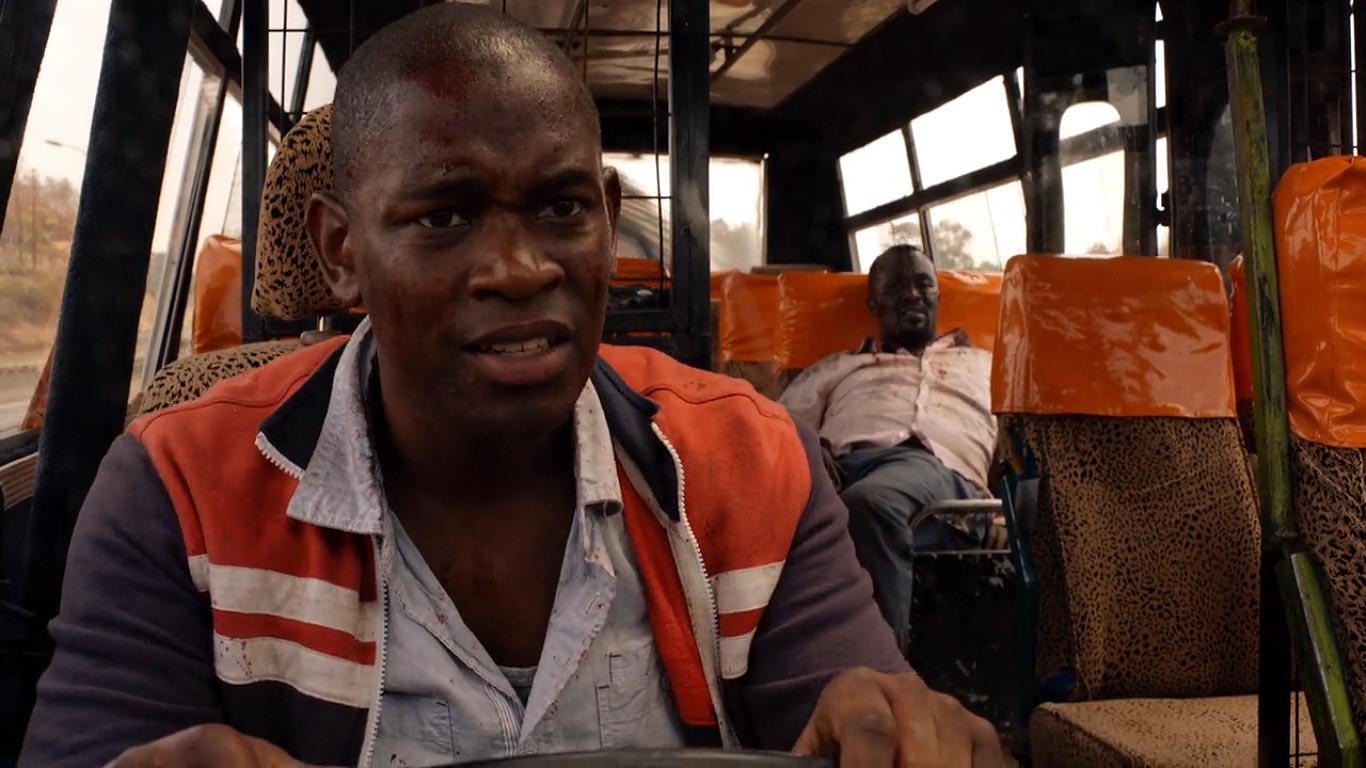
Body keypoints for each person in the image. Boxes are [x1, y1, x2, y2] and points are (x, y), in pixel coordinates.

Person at [19, 6, 1001, 768]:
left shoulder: (749, 465)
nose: (522, 267)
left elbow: (848, 704)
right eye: (445, 217)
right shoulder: (178, 489)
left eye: (563, 208)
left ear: (606, 220)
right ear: (341, 252)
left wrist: (892, 726)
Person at [779, 245, 997, 653]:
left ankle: (883, 674)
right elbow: (777, 427)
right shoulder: (839, 366)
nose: (912, 294)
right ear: (873, 304)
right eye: (896, 287)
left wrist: (1007, 515)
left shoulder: (987, 366)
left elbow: (1021, 448)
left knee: (870, 503)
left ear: (937, 295)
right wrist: (812, 451)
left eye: (923, 284)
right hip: (838, 470)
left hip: (933, 474)